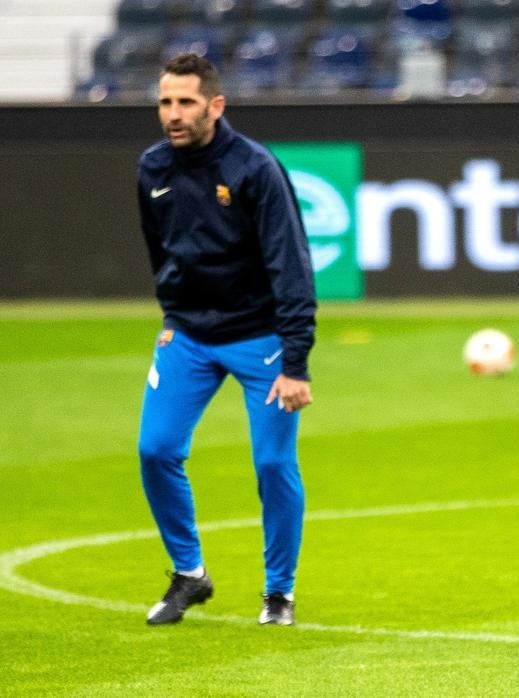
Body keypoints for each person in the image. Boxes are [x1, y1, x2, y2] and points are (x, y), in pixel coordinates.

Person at [136, 53, 316, 627]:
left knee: (271, 463)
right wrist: (171, 314)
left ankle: (279, 593)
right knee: (156, 449)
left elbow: (292, 266)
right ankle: (189, 574)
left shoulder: (253, 168)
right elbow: (160, 250)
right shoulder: (152, 168)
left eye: (185, 101)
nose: (173, 113)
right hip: (188, 336)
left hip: (259, 337)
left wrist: (295, 362)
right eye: (165, 101)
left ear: (215, 105)